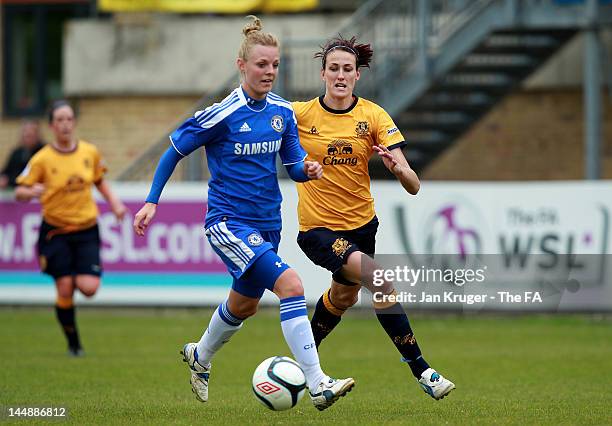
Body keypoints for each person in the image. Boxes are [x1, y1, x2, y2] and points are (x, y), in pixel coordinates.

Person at [132, 16, 354, 411]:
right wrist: (152, 200)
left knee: (245, 304)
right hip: (228, 223)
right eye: (261, 64)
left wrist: (309, 169)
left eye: (274, 65)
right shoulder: (222, 114)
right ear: (242, 66)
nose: (269, 72)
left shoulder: (283, 113)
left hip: (269, 223)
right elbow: (173, 151)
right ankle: (318, 383)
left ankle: (200, 355)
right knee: (291, 285)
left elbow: (294, 162)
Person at [291, 35, 455, 400]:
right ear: (322, 74)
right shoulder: (299, 114)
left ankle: (300, 362)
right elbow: (260, 119)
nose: (340, 75)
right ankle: (422, 370)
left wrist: (399, 170)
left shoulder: (373, 115)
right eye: (333, 68)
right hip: (318, 228)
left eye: (347, 69)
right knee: (380, 281)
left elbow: (414, 185)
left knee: (343, 297)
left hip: (363, 226)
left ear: (356, 76)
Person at [15, 100, 127, 356]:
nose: (65, 124)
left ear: (73, 123)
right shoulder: (42, 159)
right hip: (55, 231)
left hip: (86, 229)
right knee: (64, 288)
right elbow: (20, 189)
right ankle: (74, 344)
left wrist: (116, 204)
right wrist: (30, 191)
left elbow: (100, 182)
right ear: (52, 126)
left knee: (89, 288)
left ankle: (72, 273)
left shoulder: (89, 152)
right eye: (60, 120)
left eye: (69, 119)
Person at [0, 120, 45, 189]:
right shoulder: (17, 152)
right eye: (26, 135)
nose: (28, 138)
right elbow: (6, 172)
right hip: (17, 189)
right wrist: (3, 178)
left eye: (31, 135)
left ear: (38, 135)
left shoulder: (44, 152)